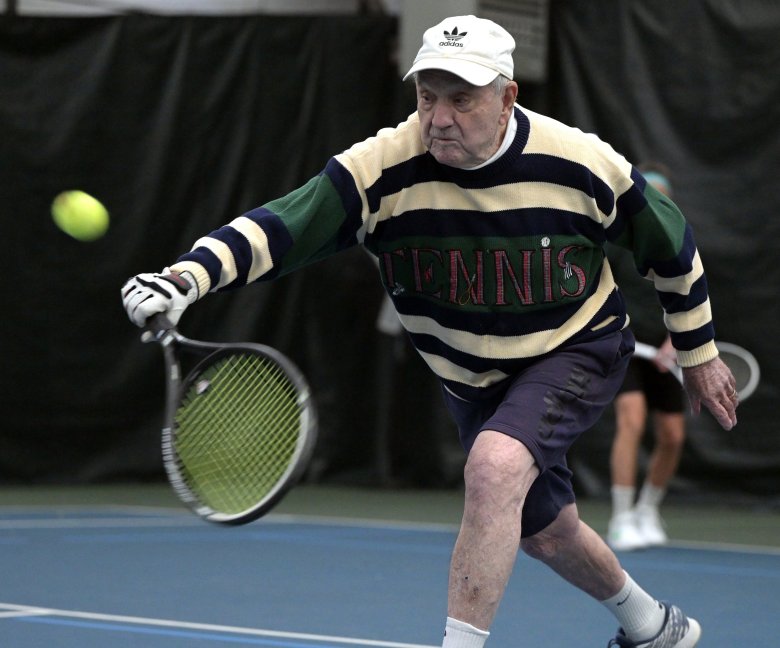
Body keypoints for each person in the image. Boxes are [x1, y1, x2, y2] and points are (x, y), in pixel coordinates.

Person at [121, 15, 738, 648]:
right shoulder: (381, 167)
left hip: (575, 347)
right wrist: (184, 278)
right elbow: (282, 227)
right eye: (426, 96)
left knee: (494, 467)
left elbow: (670, 243)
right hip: (471, 379)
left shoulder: (580, 162)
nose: (439, 118)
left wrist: (698, 351)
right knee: (547, 533)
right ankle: (652, 627)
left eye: (461, 99)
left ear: (507, 98)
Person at [606, 164, 688, 552]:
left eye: (661, 200)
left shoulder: (679, 247)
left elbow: (689, 298)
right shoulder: (615, 244)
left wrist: (676, 340)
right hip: (623, 347)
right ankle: (621, 517)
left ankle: (647, 510)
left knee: (673, 435)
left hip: (663, 352)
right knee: (632, 420)